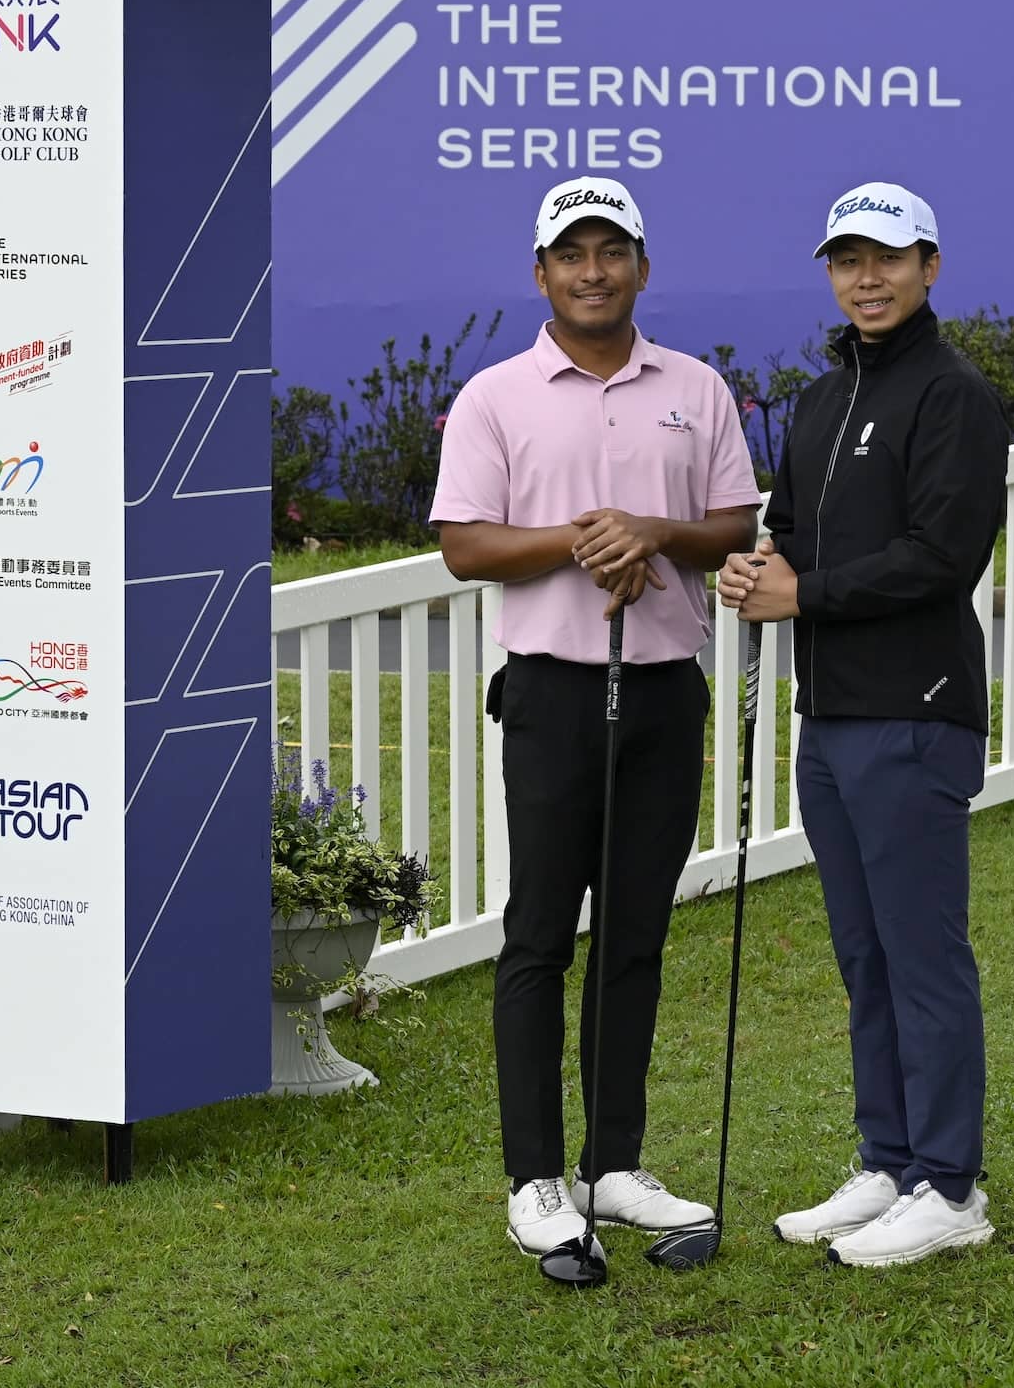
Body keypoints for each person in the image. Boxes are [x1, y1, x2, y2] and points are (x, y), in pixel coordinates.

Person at [430, 176, 760, 1262]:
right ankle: (537, 1177)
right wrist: (589, 538)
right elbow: (468, 544)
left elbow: (729, 525)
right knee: (537, 938)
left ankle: (613, 1164)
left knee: (635, 935)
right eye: (569, 252)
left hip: (665, 690)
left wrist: (650, 531)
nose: (591, 269)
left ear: (641, 266)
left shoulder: (698, 387)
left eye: (610, 249)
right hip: (553, 693)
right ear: (540, 274)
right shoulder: (495, 395)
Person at [719, 180, 1010, 1270]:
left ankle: (951, 1183)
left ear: (930, 266)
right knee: (864, 953)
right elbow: (792, 530)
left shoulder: (954, 395)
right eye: (847, 259)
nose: (867, 277)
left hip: (916, 712)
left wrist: (806, 593)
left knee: (923, 956)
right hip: (832, 715)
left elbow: (944, 554)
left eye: (888, 257)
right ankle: (888, 1160)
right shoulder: (819, 397)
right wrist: (762, 564)